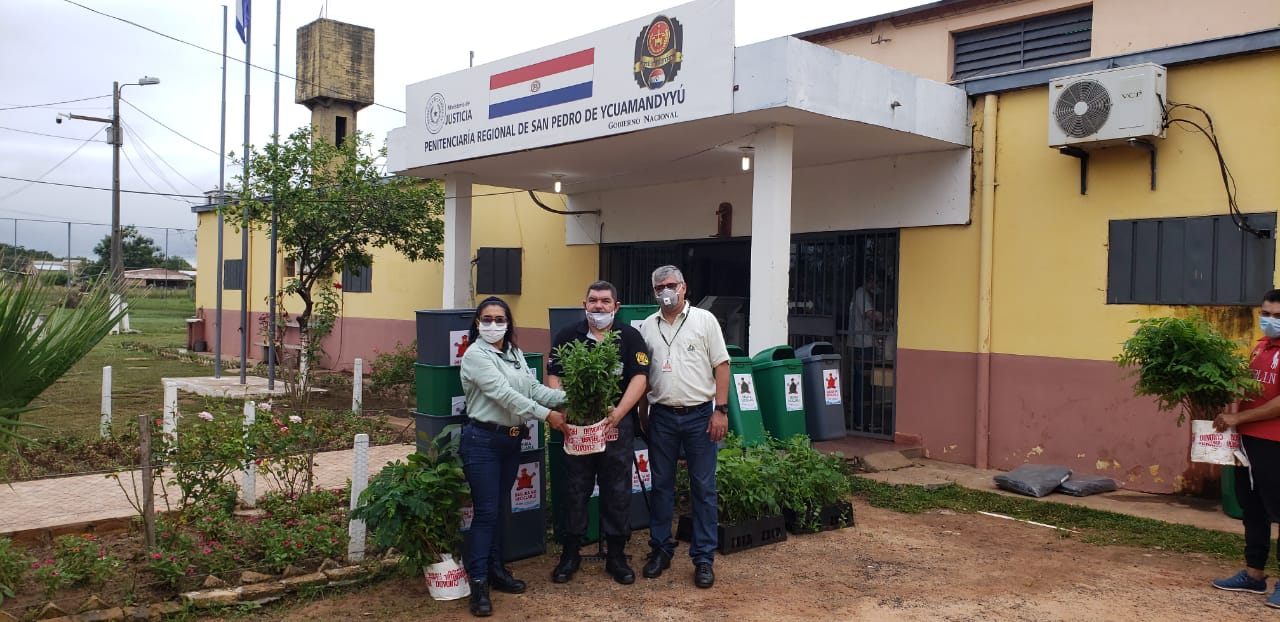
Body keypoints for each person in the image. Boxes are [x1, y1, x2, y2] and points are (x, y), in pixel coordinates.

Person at [458, 296, 567, 617]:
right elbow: (505, 396)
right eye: (487, 319)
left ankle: (496, 570)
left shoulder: (514, 354)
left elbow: (533, 390)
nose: (493, 324)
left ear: (508, 323)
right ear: (477, 323)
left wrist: (572, 395)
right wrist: (549, 416)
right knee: (486, 513)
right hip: (482, 442)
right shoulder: (475, 355)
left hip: (510, 443)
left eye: (499, 318)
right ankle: (478, 583)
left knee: (498, 511)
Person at [545, 280, 650, 585]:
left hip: (617, 427)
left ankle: (616, 556)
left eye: (605, 301)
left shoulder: (629, 337)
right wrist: (564, 407)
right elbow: (554, 374)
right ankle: (570, 553)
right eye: (593, 301)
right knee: (575, 490)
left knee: (617, 491)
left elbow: (640, 378)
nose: (599, 306)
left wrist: (618, 414)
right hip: (577, 427)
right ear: (584, 305)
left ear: (616, 306)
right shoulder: (568, 336)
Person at [637, 265, 729, 589]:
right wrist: (642, 412)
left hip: (700, 417)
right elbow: (642, 375)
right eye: (659, 286)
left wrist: (721, 411)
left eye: (671, 284)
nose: (666, 291)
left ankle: (703, 558)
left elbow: (722, 365)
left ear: (684, 287)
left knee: (703, 488)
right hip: (661, 416)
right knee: (661, 485)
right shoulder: (647, 327)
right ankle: (660, 549)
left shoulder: (705, 321)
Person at [1211, 288, 1280, 610]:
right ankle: (1254, 574)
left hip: (1274, 442)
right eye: (1265, 314)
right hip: (1246, 441)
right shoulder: (1260, 347)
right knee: (1252, 507)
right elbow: (1247, 387)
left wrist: (1238, 417)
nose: (1269, 321)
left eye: (1277, 316)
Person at [848, 277, 883, 430]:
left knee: (863, 383)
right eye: (878, 283)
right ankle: (861, 421)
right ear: (871, 278)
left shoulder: (862, 294)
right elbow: (870, 314)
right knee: (863, 383)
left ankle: (862, 420)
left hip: (862, 343)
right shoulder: (862, 293)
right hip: (861, 345)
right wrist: (881, 316)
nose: (879, 287)